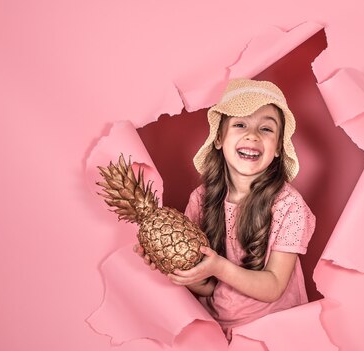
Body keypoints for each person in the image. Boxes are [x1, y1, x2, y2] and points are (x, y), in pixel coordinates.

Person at [135, 78, 315, 339]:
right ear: (219, 138)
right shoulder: (201, 199)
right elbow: (207, 287)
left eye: (266, 129)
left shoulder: (288, 205)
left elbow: (274, 286)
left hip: (273, 331)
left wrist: (218, 267)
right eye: (240, 124)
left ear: (277, 147)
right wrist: (173, 265)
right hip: (217, 330)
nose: (252, 135)